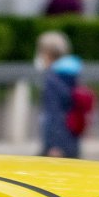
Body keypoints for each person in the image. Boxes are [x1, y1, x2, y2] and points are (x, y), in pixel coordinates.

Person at [37, 30, 83, 158]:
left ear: (47, 54)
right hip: (72, 141)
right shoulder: (72, 74)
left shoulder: (53, 79)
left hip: (57, 146)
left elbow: (54, 113)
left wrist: (54, 146)